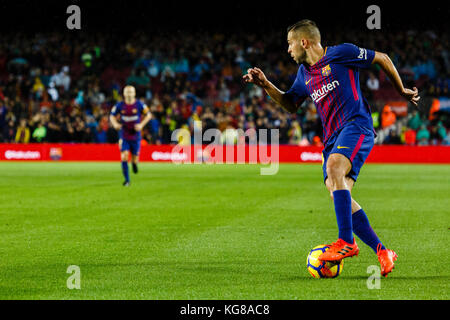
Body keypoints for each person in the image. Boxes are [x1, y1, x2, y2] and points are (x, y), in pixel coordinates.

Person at [243, 19, 420, 277]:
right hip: (332, 138)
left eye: (290, 44)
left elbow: (381, 58)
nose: (289, 50)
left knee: (334, 167)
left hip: (356, 126)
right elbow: (292, 104)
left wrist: (401, 90)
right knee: (340, 193)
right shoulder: (304, 74)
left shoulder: (341, 53)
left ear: (304, 42)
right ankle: (383, 251)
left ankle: (346, 242)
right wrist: (266, 85)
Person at [110, 85, 152, 186]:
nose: (129, 94)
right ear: (124, 94)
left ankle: (134, 164)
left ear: (134, 94)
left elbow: (149, 115)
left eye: (131, 92)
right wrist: (115, 124)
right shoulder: (119, 105)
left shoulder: (140, 105)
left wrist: (141, 125)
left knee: (134, 158)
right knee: (124, 156)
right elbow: (111, 116)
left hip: (135, 136)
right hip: (124, 135)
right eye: (127, 92)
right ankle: (127, 180)